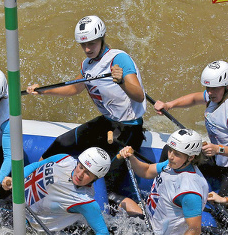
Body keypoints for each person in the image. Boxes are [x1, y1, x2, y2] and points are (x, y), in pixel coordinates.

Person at [26, 15, 146, 188]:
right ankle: (28, 183)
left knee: (105, 175)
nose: (88, 49)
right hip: (107, 123)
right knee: (60, 143)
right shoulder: (87, 65)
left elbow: (139, 95)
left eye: (92, 43)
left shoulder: (119, 59)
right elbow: (74, 88)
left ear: (102, 38)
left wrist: (121, 81)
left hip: (130, 128)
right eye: (84, 45)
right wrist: (43, 90)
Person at [152, 60, 228, 201]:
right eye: (207, 88)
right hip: (218, 157)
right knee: (170, 149)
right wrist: (169, 105)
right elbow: (193, 98)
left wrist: (218, 149)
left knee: (223, 212)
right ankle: (161, 193)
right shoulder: (216, 94)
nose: (209, 92)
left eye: (214, 88)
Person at [117, 129, 209, 235]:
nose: (170, 156)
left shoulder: (189, 191)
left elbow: (195, 229)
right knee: (123, 203)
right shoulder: (173, 164)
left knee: (113, 232)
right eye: (170, 150)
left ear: (191, 157)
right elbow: (146, 170)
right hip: (149, 221)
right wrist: (131, 157)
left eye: (176, 154)